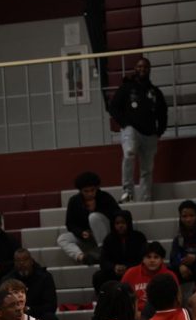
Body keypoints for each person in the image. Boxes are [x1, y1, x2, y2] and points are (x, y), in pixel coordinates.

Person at [108, 56, 167, 203]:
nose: (142, 69)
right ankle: (128, 191)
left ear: (149, 70)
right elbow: (113, 106)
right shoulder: (127, 87)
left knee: (147, 168)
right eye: (139, 66)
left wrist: (159, 131)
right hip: (131, 129)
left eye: (145, 67)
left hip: (150, 133)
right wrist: (124, 123)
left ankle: (145, 198)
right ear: (135, 69)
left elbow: (163, 112)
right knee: (129, 153)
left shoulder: (155, 92)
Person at [1, 248, 59, 320]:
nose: (21, 263)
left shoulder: (44, 277)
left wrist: (28, 309)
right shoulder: (7, 279)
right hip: (14, 315)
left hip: (37, 314)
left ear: (31, 261)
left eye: (25, 260)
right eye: (18, 261)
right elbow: (1, 304)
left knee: (51, 319)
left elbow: (51, 305)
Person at [58, 171, 119, 264]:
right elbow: (70, 224)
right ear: (80, 191)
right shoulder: (74, 201)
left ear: (97, 188)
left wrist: (96, 209)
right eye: (86, 191)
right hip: (88, 237)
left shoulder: (105, 197)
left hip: (107, 235)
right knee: (62, 238)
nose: (90, 193)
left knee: (94, 216)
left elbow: (118, 215)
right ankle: (83, 258)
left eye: (92, 190)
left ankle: (103, 250)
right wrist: (81, 232)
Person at [93, 209, 147, 292]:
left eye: (123, 223)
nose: (120, 226)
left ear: (128, 223)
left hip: (134, 271)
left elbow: (143, 258)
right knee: (98, 276)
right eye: (117, 223)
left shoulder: (139, 237)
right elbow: (103, 260)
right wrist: (114, 267)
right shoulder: (109, 239)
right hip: (114, 273)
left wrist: (127, 268)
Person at [120, 242, 177, 320]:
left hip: (162, 317)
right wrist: (134, 313)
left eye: (156, 257)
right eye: (148, 257)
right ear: (143, 259)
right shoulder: (130, 273)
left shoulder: (170, 275)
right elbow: (121, 297)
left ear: (162, 259)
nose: (152, 260)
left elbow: (177, 301)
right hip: (134, 317)